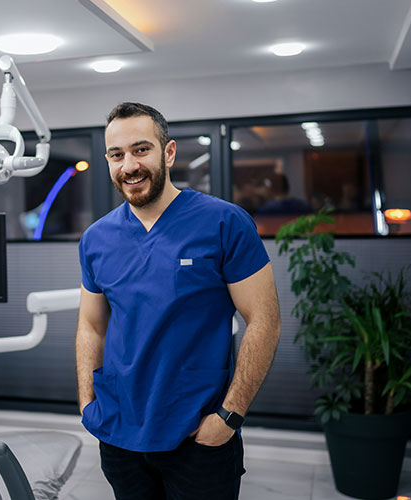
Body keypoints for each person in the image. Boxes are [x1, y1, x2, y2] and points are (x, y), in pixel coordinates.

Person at [75, 102, 281, 500]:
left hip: (197, 435)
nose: (129, 165)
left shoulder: (224, 223)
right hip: (119, 432)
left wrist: (229, 415)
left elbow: (264, 320)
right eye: (116, 155)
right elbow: (92, 325)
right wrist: (87, 403)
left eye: (140, 150)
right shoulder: (96, 239)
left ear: (168, 153)